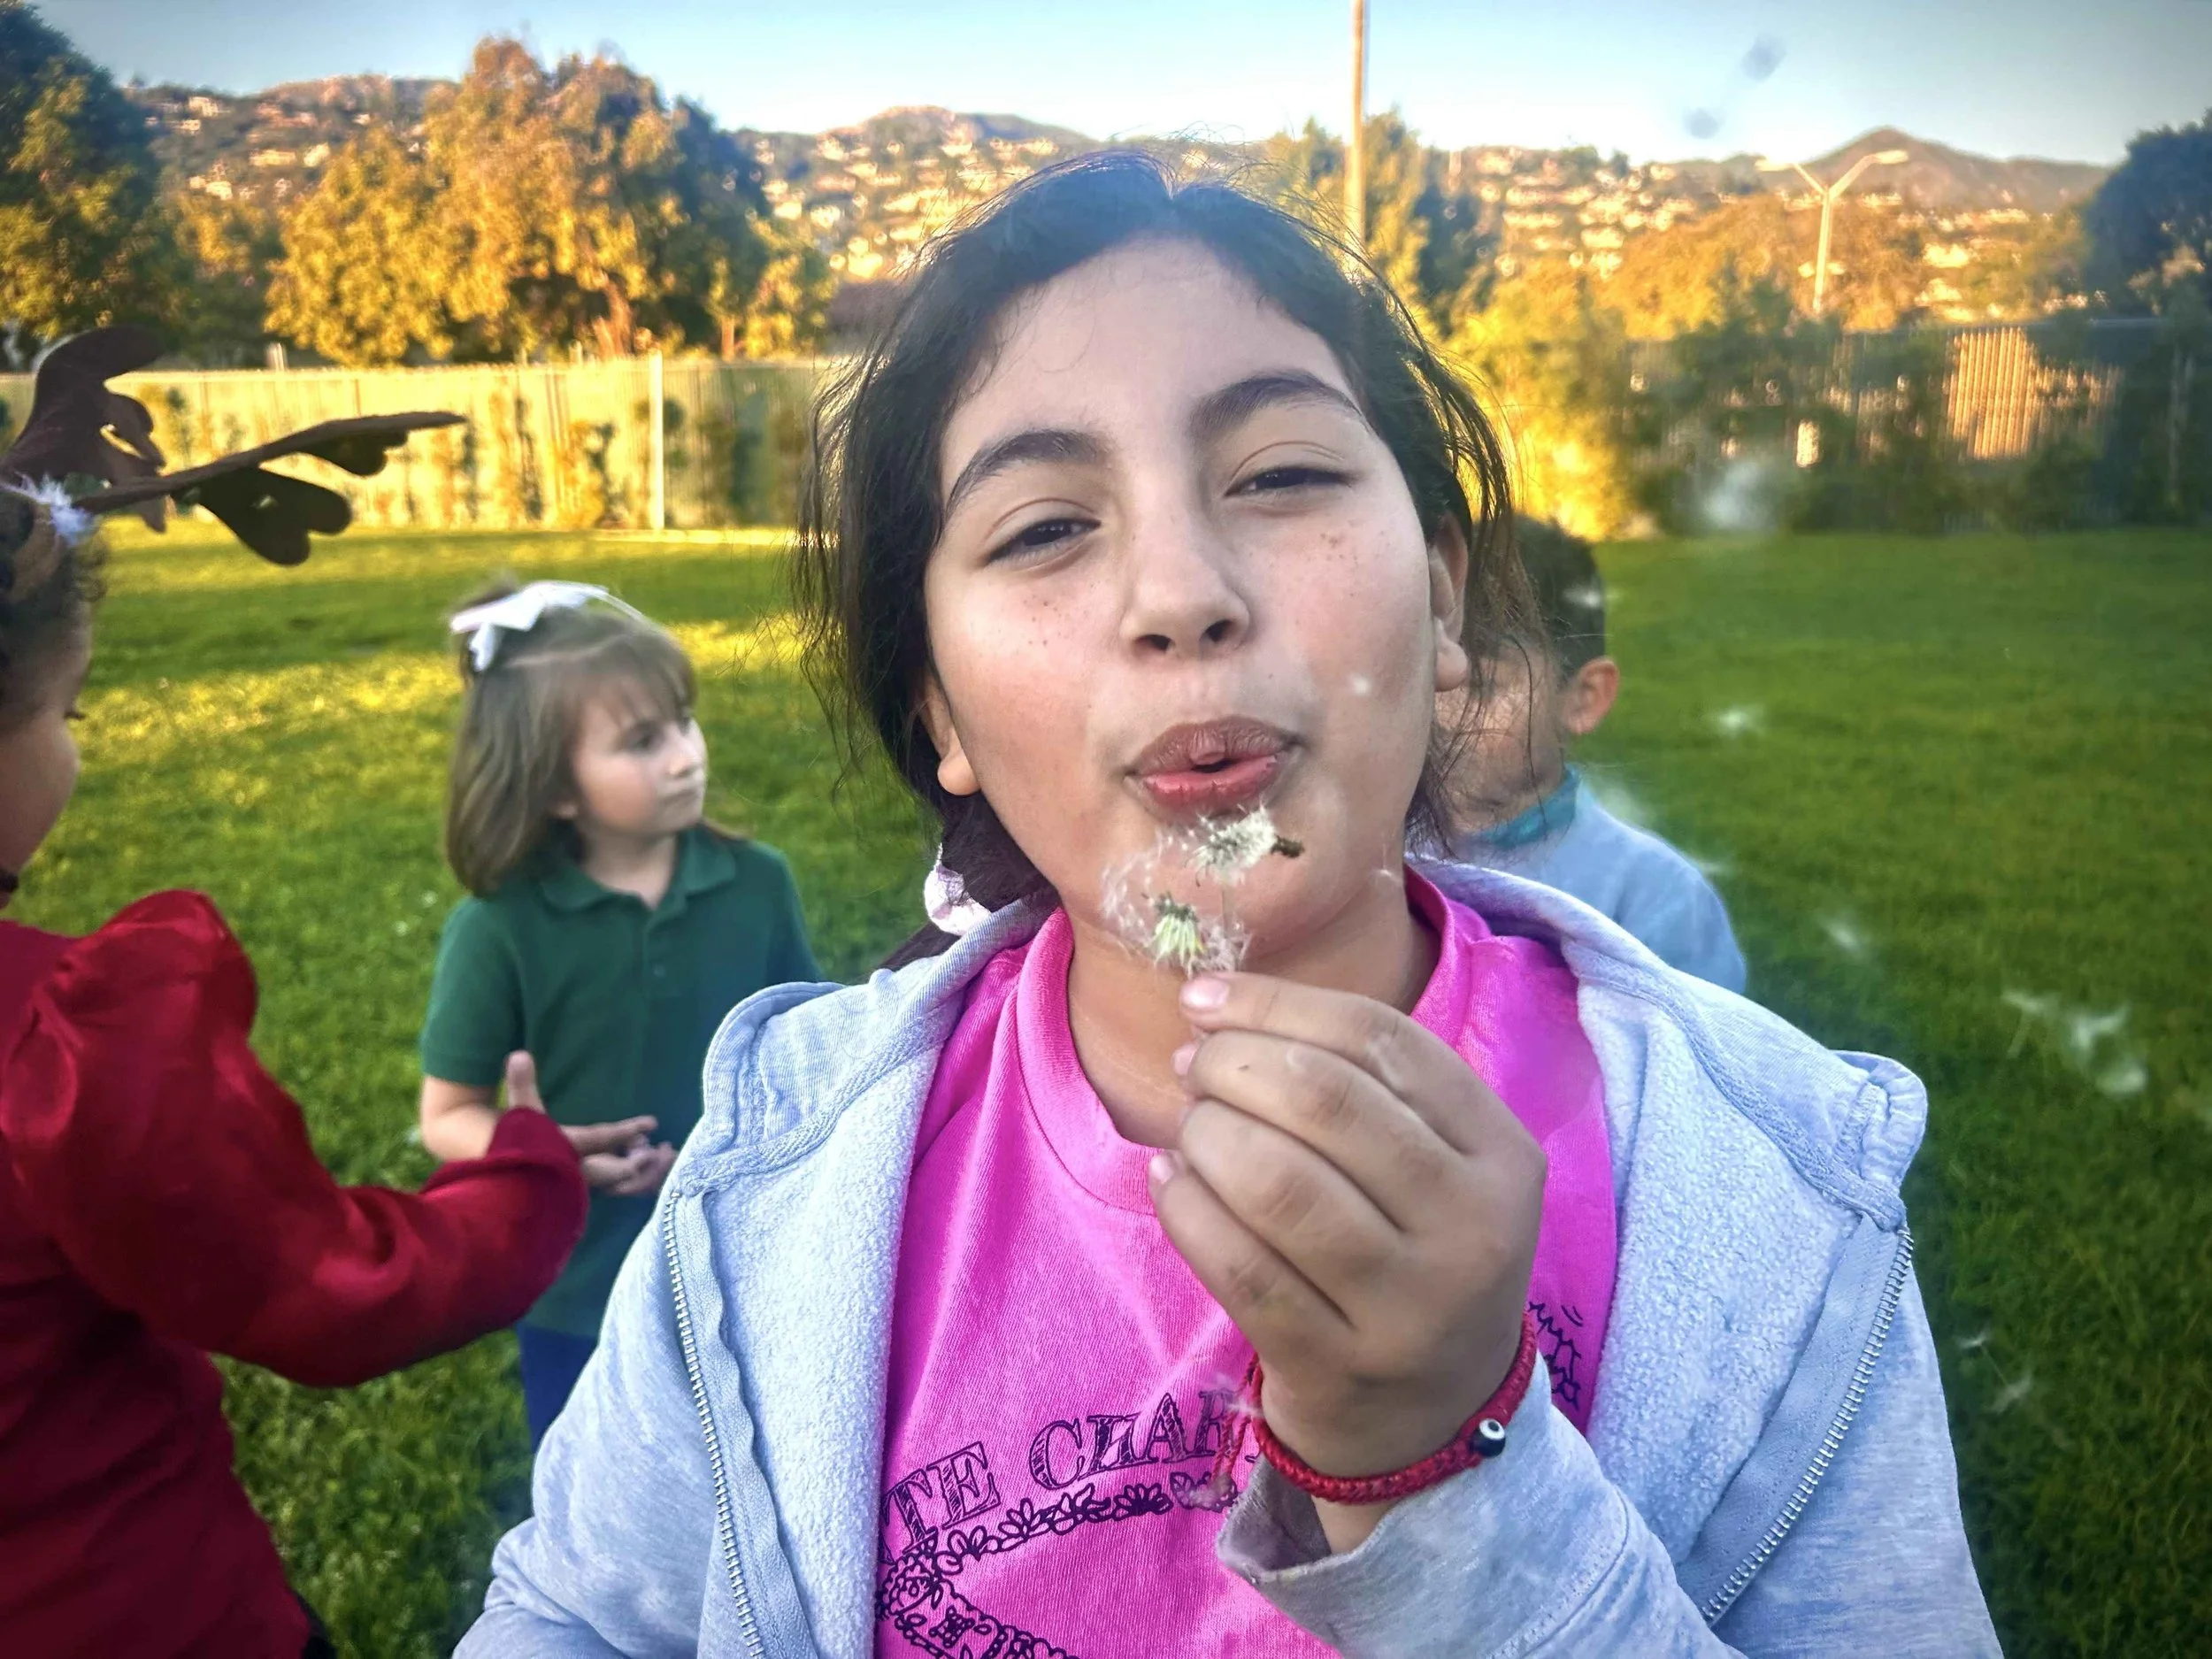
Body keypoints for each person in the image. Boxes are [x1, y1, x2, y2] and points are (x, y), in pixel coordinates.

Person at [463, 154, 1996, 1656]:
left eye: (1279, 476)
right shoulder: (771, 1190)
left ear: (1447, 609)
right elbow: (580, 1619)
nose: (1182, 592)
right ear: (939, 711)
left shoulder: (1774, 1192)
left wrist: (1440, 1474)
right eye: (1046, 527)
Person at [0, 348, 590, 1658]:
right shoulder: (54, 1058)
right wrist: (530, 1175)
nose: (74, 741)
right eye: (67, 706)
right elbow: (331, 1287)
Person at [417, 580, 822, 1445]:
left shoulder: (757, 884)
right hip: (577, 1290)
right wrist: (543, 1155)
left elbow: (802, 1049)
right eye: (643, 742)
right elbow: (447, 1114)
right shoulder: (498, 929)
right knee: (594, 1517)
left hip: (743, 1261)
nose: (685, 756)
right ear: (556, 787)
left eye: (683, 721)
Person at [1447, 516, 1749, 991]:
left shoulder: (1655, 901)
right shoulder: (1369, 855)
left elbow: (1696, 1059)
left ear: (1584, 698)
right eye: (1420, 671)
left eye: (1482, 684)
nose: (1438, 710)